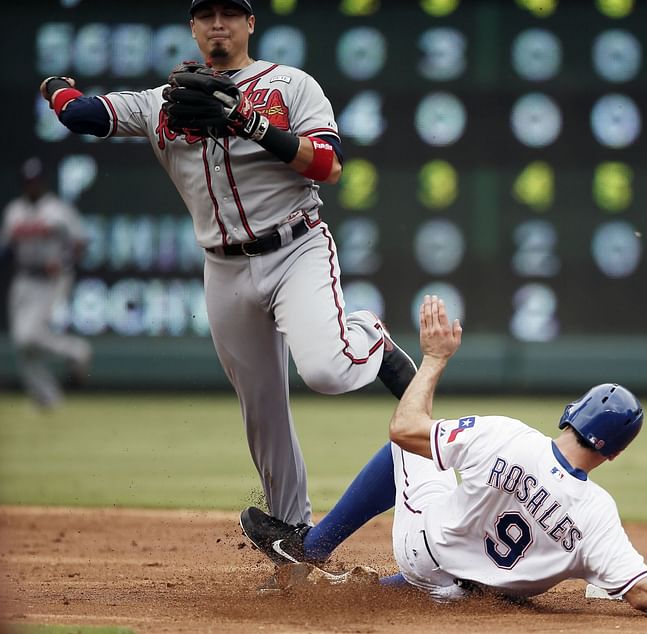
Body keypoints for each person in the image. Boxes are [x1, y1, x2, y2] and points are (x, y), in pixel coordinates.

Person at [39, 0, 415, 548]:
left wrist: (248, 122)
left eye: (231, 14)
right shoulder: (159, 105)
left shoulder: (290, 85)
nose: (220, 24)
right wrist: (55, 85)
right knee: (261, 408)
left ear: (250, 24)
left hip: (295, 248)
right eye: (207, 14)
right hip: (223, 268)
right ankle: (293, 532)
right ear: (192, 28)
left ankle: (371, 340)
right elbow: (81, 115)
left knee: (328, 373)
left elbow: (328, 165)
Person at [240, 295, 647, 622]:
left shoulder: (505, 436)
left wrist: (434, 361)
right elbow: (645, 591)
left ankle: (307, 548)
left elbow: (405, 429)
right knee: (509, 567)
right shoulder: (598, 514)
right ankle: (361, 589)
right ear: (614, 452)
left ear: (572, 414)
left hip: (423, 555)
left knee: (406, 442)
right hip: (467, 597)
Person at [1, 157, 92, 410]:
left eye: (36, 181)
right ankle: (46, 397)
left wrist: (63, 262)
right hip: (22, 278)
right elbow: (6, 249)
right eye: (28, 182)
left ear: (42, 182)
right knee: (22, 344)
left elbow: (81, 241)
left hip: (50, 280)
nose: (32, 186)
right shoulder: (14, 211)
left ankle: (77, 351)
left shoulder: (57, 210)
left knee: (27, 336)